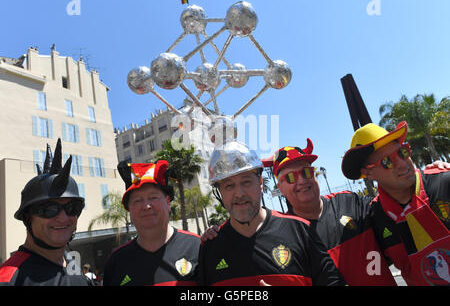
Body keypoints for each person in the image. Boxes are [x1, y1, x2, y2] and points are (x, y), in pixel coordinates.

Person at [203, 139, 396, 285]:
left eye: (306, 172)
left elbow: (395, 209)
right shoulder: (211, 247)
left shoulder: (351, 203)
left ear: (260, 184)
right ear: (280, 187)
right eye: (290, 177)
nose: (301, 181)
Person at [342, 121, 450, 286]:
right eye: (387, 162)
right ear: (368, 173)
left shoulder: (445, 182)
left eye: (402, 152)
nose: (402, 163)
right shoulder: (374, 219)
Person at [0, 139, 91, 286]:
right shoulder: (8, 280)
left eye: (72, 208)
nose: (63, 218)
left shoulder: (71, 263)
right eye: (50, 209)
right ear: (27, 217)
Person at [102, 160, 201, 286]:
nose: (146, 206)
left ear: (168, 202)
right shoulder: (116, 262)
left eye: (153, 197)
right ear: (129, 209)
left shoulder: (198, 247)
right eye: (137, 201)